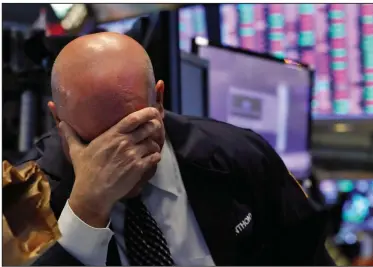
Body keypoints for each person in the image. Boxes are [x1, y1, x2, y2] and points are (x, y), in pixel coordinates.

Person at [23, 32, 335, 266]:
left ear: (158, 100)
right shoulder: (19, 199)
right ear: (57, 119)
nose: (122, 161)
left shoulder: (240, 156)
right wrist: (87, 207)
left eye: (133, 132)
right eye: (95, 144)